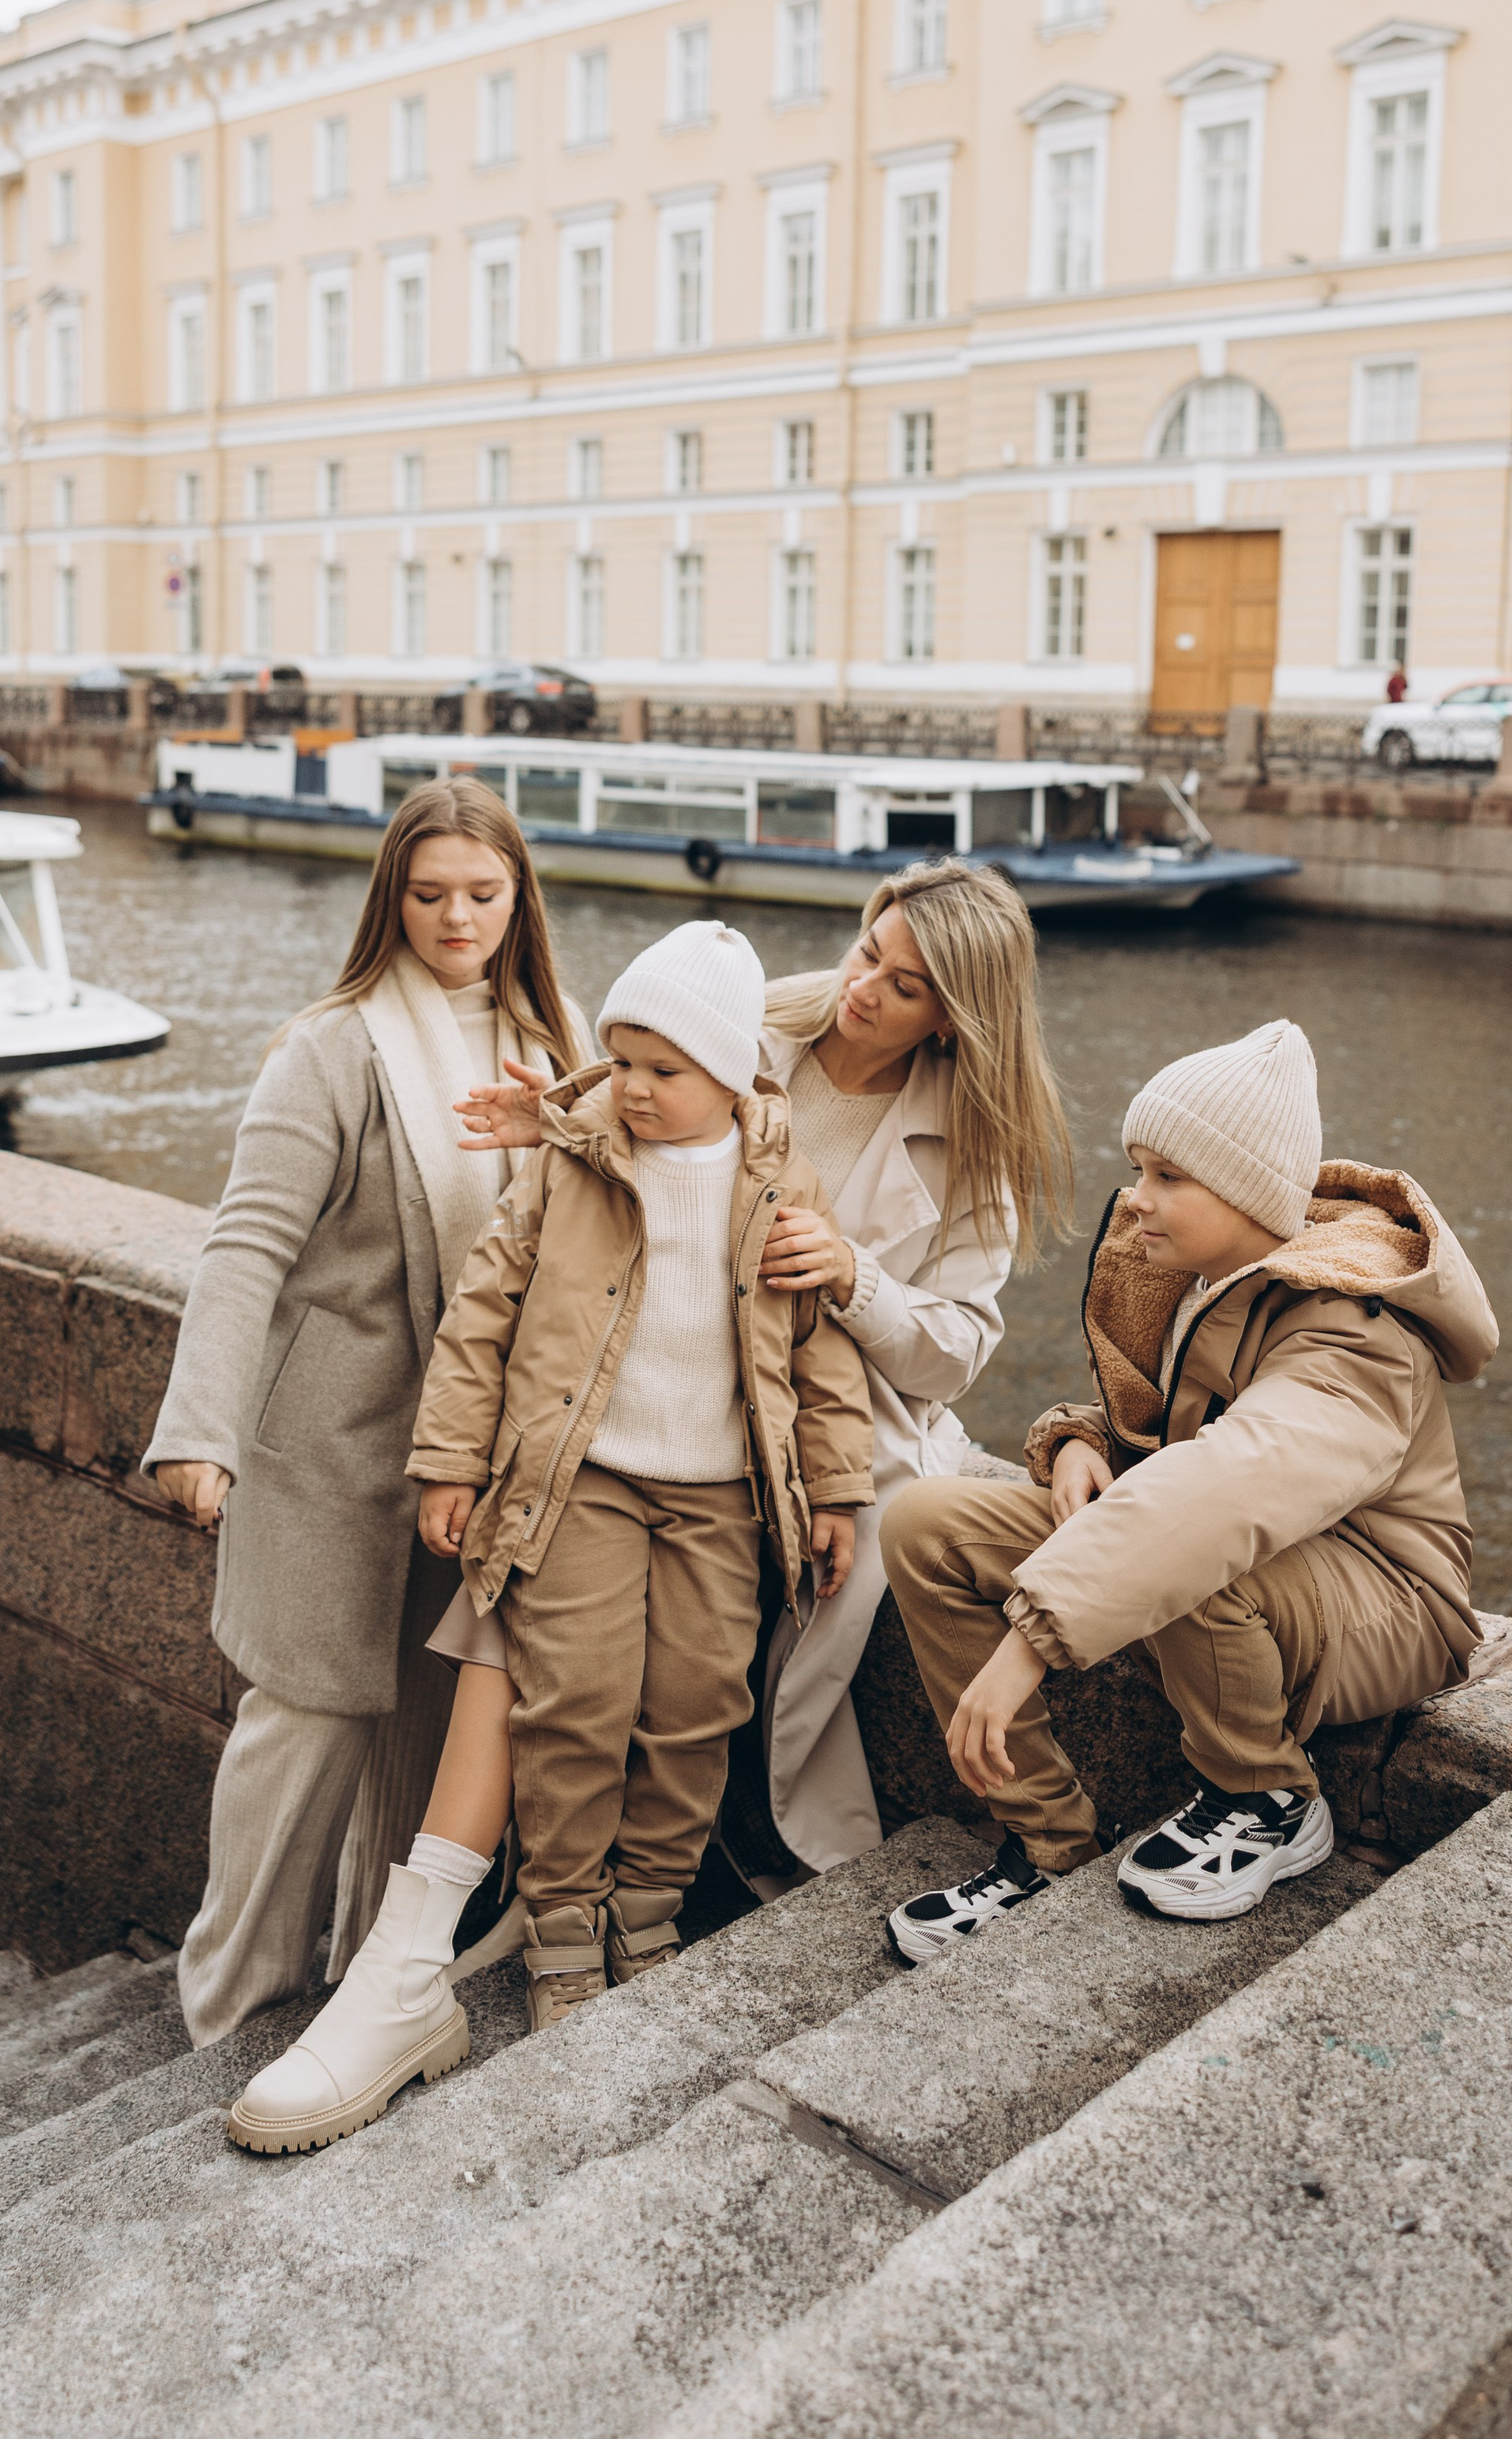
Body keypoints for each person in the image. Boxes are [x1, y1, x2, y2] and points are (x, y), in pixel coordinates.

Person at [228, 920, 874, 2143]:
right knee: (571, 1705)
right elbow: (483, 1316)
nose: (630, 1087)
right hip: (583, 1484)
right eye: (619, 1059)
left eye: (661, 1070)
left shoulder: (784, 1189)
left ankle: (650, 1913)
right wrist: (450, 1462)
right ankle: (564, 1929)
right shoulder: (571, 1166)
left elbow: (819, 1358)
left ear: (733, 1074)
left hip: (721, 1499)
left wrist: (834, 1491)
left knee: (695, 1710)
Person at [453, 860, 1073, 1876]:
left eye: (904, 986)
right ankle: (548, 1869)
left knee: (772, 1623)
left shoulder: (978, 1146)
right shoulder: (762, 1019)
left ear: (952, 1021)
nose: (862, 987)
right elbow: (637, 1093)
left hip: (836, 1404)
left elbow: (957, 1355)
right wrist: (559, 1125)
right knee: (574, 1606)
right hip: (672, 1362)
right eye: (868, 949)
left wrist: (853, 1278)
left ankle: (729, 1849)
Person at [879, 1018, 1492, 1960]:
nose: (1135, 1200)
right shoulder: (1208, 1278)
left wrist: (1032, 1638)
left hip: (1392, 1605)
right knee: (928, 1522)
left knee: (1199, 1554)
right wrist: (1079, 1440)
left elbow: (1227, 1484)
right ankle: (1050, 1844)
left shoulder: (1354, 1328)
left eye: (1168, 1177)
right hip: (1268, 1557)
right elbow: (1164, 1427)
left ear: (1245, 1191)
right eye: (1138, 1170)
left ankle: (1267, 1799)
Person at [142, 778, 592, 2055]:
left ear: (521, 899)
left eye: (485, 894)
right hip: (333, 1459)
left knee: (423, 1741)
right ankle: (224, 2000)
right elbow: (246, 1248)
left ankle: (360, 1990)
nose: (458, 918)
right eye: (431, 892)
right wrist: (202, 1430)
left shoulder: (552, 1046)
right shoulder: (330, 1048)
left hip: (474, 1468)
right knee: (304, 1737)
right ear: (391, 895)